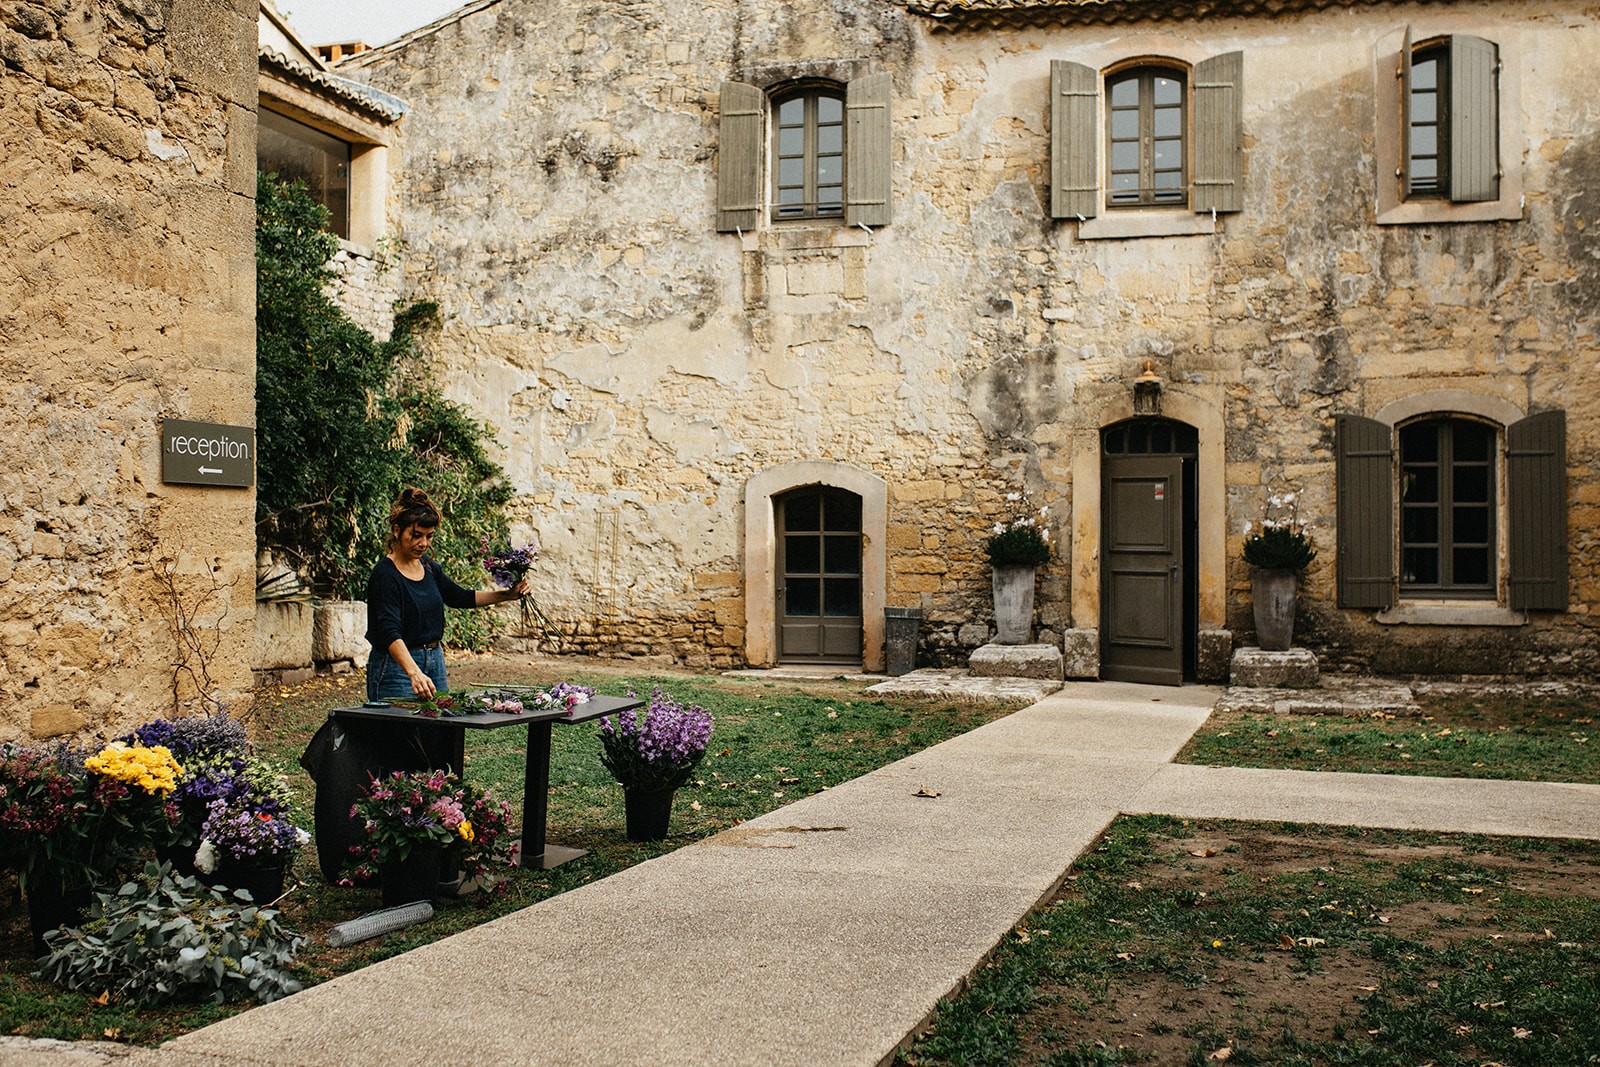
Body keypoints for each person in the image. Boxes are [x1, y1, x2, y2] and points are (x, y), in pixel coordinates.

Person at [364, 487, 529, 701]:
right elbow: (389, 632)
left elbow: (459, 597)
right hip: (397, 668)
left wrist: (508, 595)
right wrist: (413, 672)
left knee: (438, 731)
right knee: (399, 733)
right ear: (397, 530)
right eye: (416, 535)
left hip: (434, 661)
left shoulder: (429, 568)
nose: (423, 543)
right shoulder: (385, 575)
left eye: (429, 536)